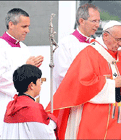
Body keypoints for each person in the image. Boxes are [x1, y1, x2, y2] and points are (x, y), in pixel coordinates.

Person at [46, 20, 121, 139]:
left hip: (118, 117)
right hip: (96, 117)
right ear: (106, 36)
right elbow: (82, 83)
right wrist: (112, 84)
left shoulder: (118, 57)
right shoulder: (90, 53)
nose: (120, 44)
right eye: (117, 39)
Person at [0, 8, 43, 137]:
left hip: (23, 105)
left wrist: (33, 70)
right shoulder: (1, 46)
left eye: (28, 26)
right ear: (11, 24)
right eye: (24, 26)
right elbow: (1, 78)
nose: (27, 30)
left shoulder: (24, 48)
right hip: (5, 102)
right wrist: (25, 68)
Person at [52, 3, 100, 96]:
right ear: (81, 21)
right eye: (94, 21)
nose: (97, 25)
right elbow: (62, 74)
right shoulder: (66, 44)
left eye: (99, 21)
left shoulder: (96, 44)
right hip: (73, 97)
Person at [2, 64, 56, 139]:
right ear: (31, 86)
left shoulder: (11, 106)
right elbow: (46, 134)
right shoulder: (33, 108)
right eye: (39, 81)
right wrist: (53, 122)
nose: (40, 84)